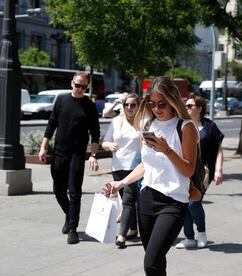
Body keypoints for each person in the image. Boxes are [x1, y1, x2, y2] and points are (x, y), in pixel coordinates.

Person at [103, 76, 198, 275]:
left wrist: (167, 150)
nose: (156, 108)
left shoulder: (185, 127)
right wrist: (121, 183)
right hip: (147, 199)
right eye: (152, 104)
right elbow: (145, 165)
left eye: (162, 104)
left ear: (172, 100)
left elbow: (188, 170)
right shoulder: (148, 127)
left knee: (151, 262)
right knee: (156, 262)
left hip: (173, 202)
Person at [39, 71, 100, 245]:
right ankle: (69, 214)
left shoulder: (89, 106)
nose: (80, 89)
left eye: (84, 86)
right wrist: (43, 148)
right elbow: (51, 125)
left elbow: (95, 133)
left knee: (74, 192)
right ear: (71, 84)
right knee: (58, 190)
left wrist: (93, 155)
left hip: (77, 154)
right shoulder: (61, 100)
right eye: (78, 85)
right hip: (59, 152)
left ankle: (72, 228)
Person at [175, 95, 224, 249]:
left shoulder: (210, 127)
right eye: (186, 105)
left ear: (200, 108)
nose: (187, 108)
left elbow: (218, 151)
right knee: (183, 203)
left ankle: (201, 233)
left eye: (190, 106)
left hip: (204, 172)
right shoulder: (182, 124)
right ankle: (189, 237)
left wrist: (218, 170)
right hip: (183, 169)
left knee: (193, 202)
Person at [102, 93, 141, 249]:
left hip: (135, 167)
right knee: (126, 199)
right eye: (126, 105)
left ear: (138, 106)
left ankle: (122, 236)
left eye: (133, 105)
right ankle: (133, 228)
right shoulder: (116, 121)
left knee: (128, 201)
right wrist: (109, 146)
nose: (129, 108)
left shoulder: (143, 122)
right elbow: (104, 142)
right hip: (118, 167)